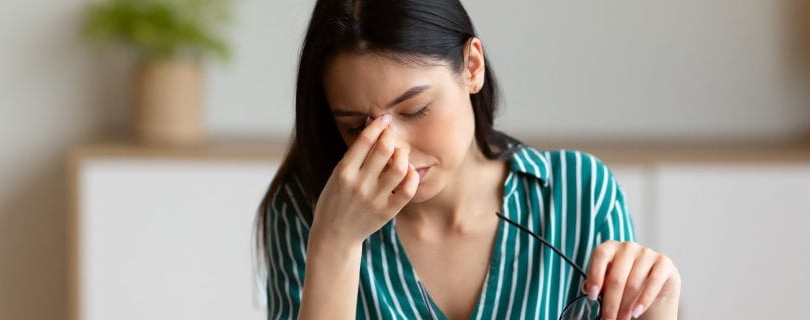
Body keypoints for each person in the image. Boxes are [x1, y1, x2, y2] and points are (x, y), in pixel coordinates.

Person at [257, 0, 681, 318]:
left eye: (414, 110)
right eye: (355, 126)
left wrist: (658, 305)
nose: (392, 151)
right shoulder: (307, 211)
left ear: (472, 66)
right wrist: (335, 245)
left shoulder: (579, 193)